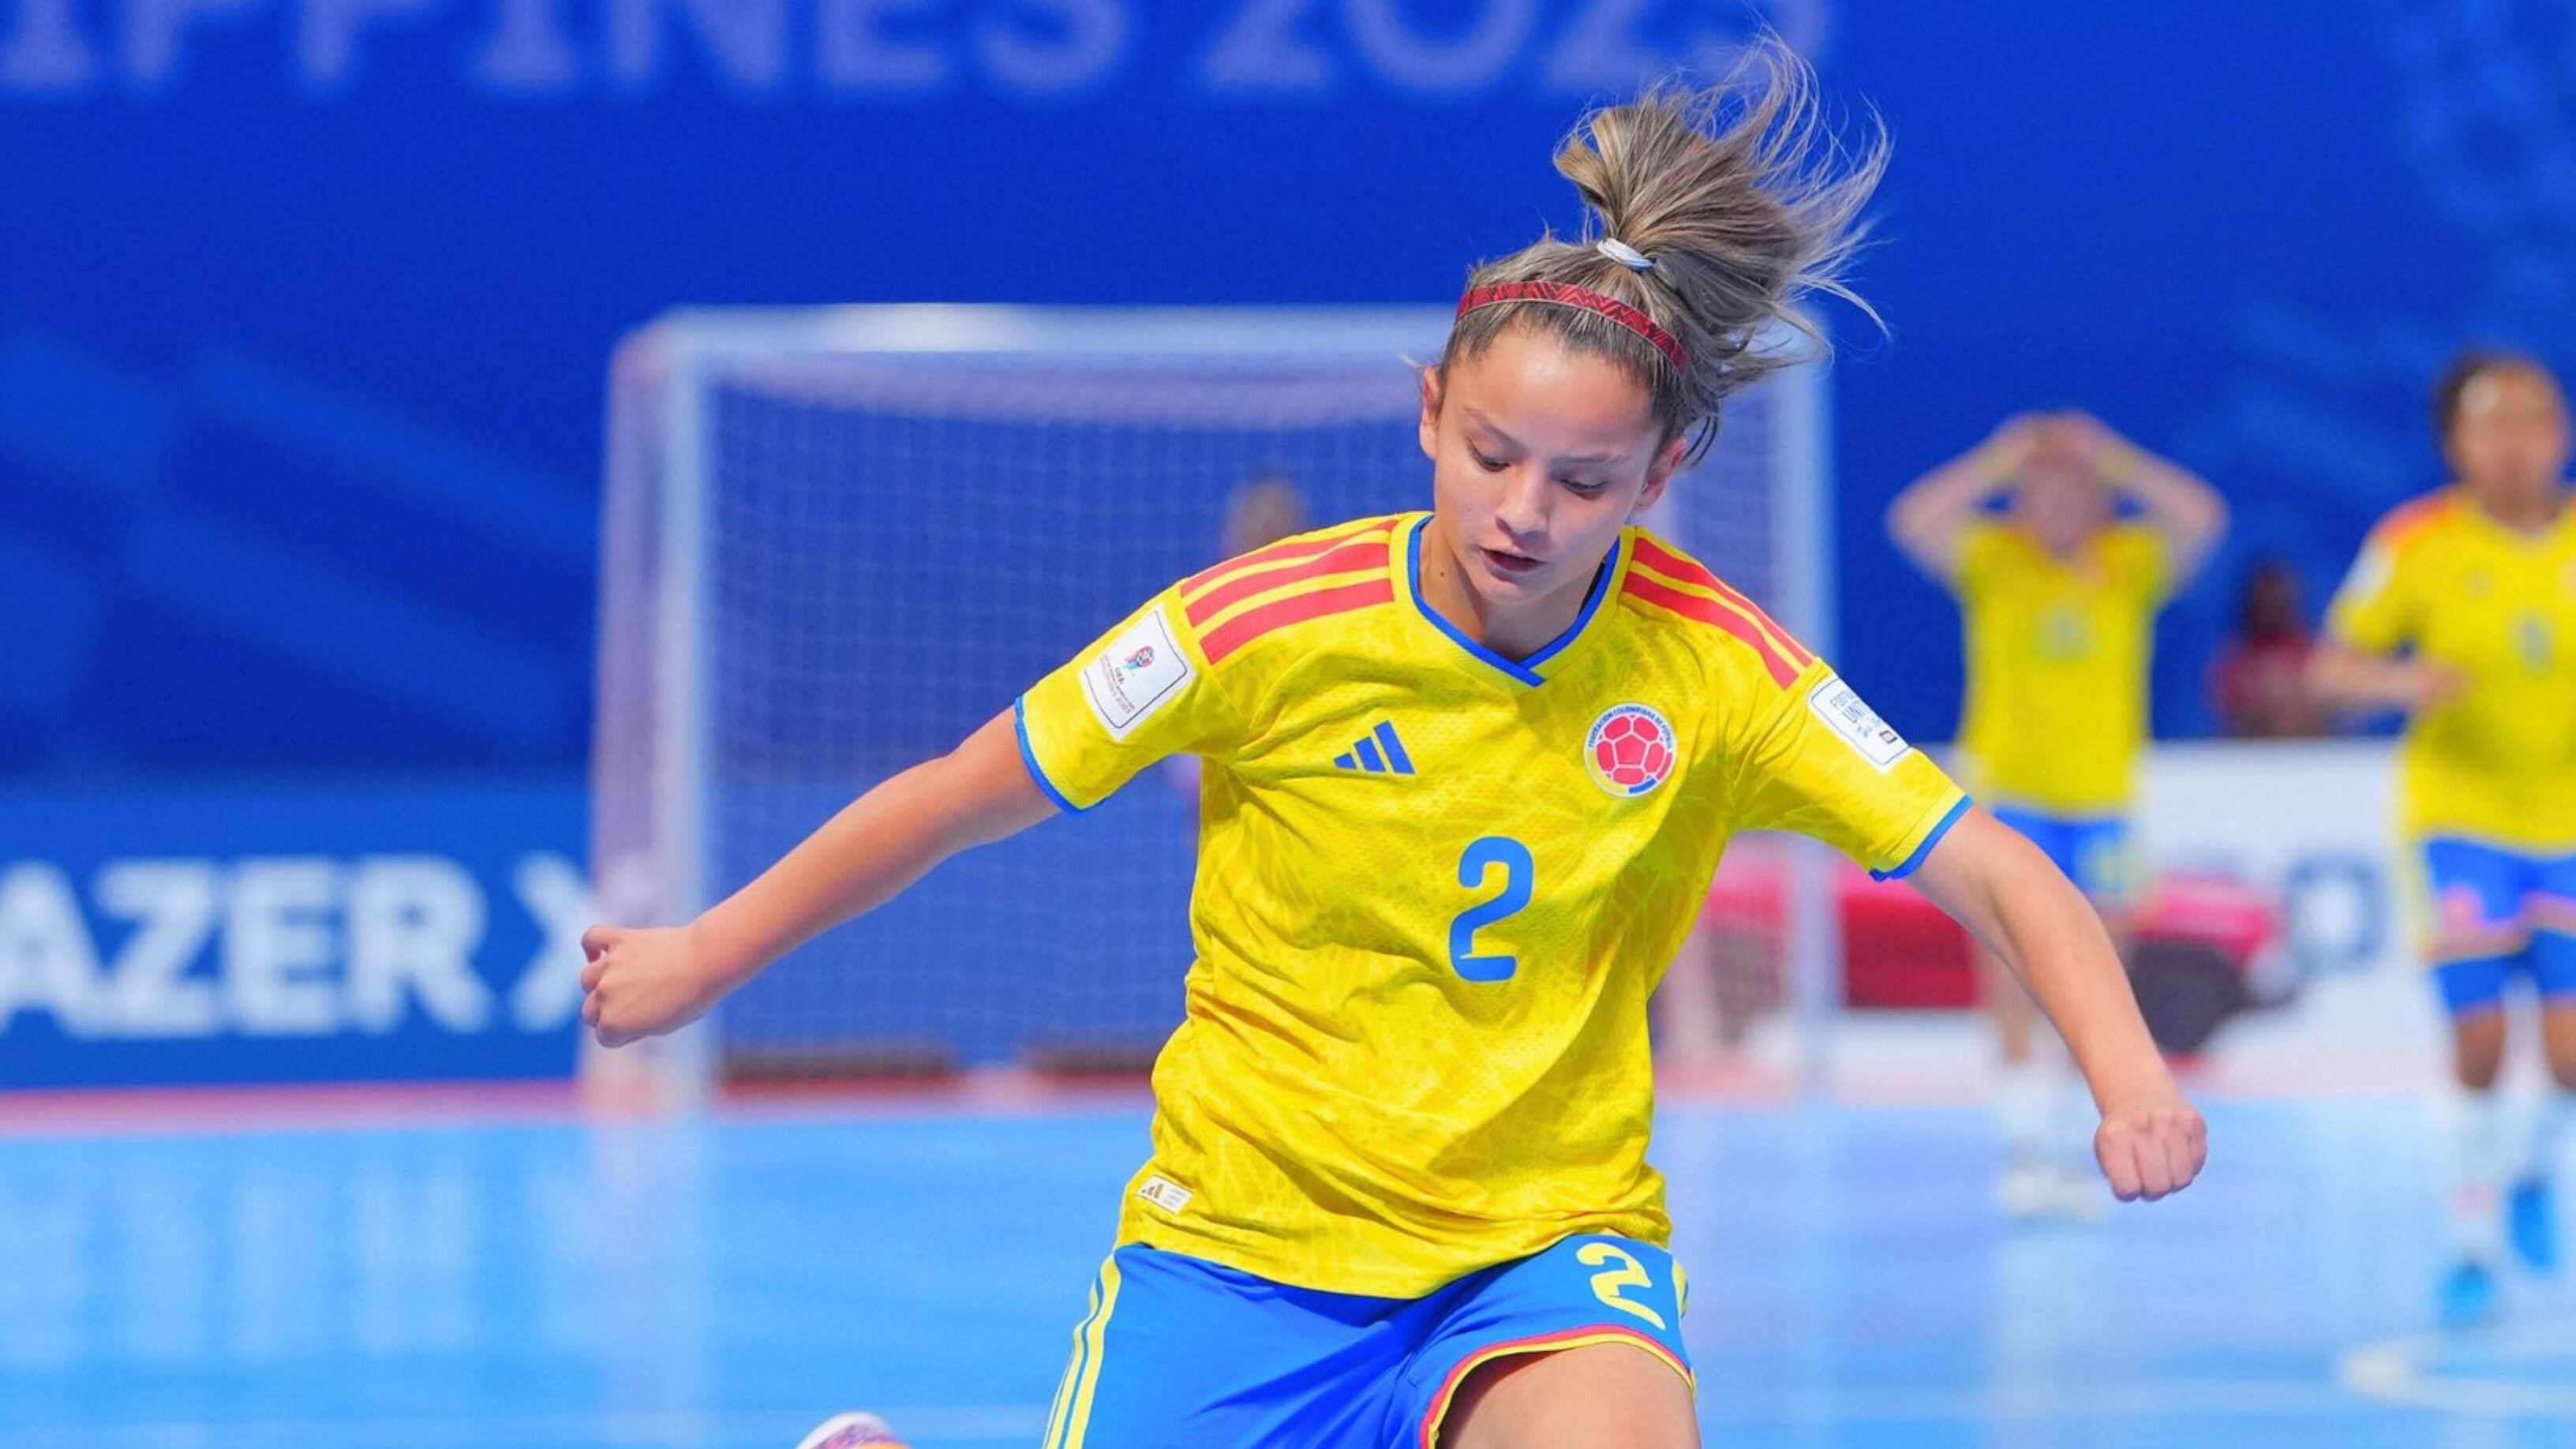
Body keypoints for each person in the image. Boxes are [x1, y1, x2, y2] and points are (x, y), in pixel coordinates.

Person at [580, 45, 2205, 1447]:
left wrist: (2126, 1075)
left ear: (1664, 471)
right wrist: (705, 953)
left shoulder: (1720, 669)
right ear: (1429, 410)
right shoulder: (1260, 624)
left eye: (1583, 481)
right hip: (1244, 1241)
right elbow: (955, 797)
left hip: (1543, 1248)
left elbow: (1987, 858)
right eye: (1492, 453)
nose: (1524, 510)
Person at [1887, 410, 2226, 1219]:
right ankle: (2023, 1149)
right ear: (2021, 501)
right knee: (2011, 975)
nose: (2062, 506)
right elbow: (1912, 520)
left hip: (2102, 806)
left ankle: (2082, 1145)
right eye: (2043, 492)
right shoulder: (1995, 560)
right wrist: (2002, 457)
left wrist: (2113, 455)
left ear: (2100, 501)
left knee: (2101, 980)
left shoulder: (2130, 562)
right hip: (2013, 804)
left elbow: (2203, 518)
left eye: (2078, 492)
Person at [2307, 350, 2576, 1327]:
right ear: (2457, 441)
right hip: (2460, 817)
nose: (2516, 442)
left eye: (2536, 418)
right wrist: (2399, 685)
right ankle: (2471, 1247)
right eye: (2492, 423)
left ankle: (2533, 1173)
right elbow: (2329, 668)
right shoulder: (2416, 542)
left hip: (2570, 821)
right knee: (2479, 1037)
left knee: (2570, 1049)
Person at [2208, 557, 2331, 739]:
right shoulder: (2233, 663)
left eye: (2277, 598)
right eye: (2264, 599)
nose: (2270, 606)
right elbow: (2227, 722)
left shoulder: (2317, 655)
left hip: (2313, 757)